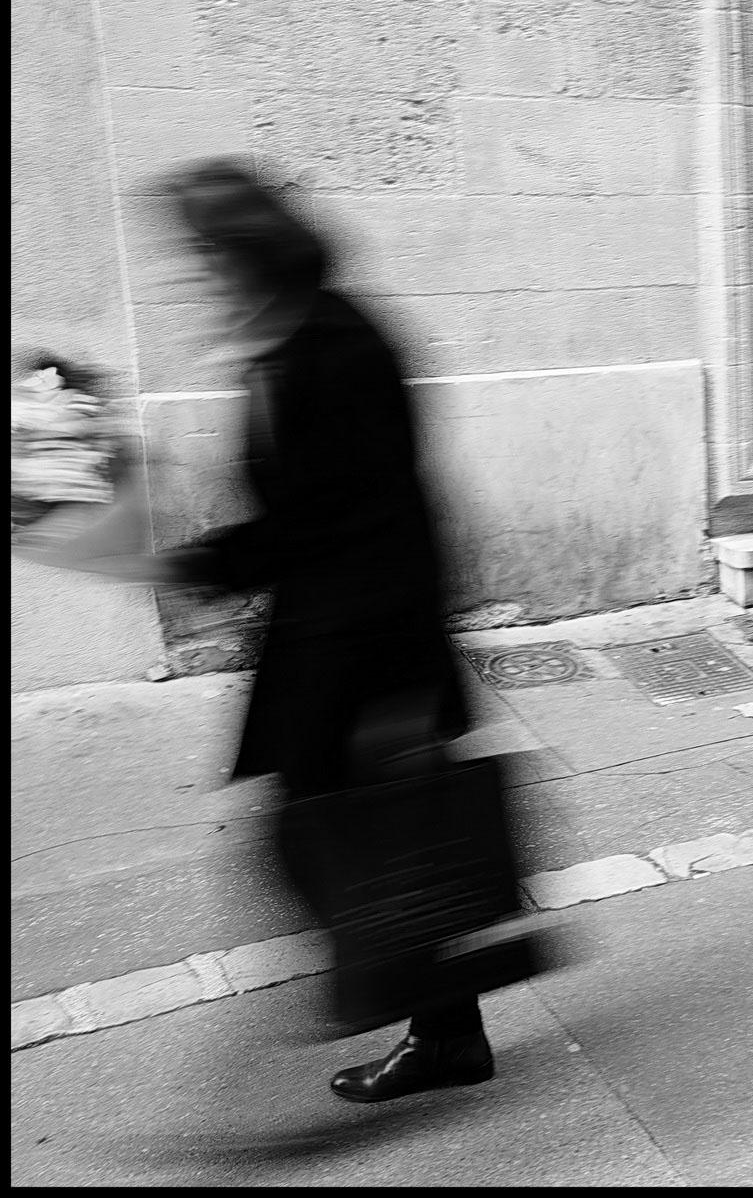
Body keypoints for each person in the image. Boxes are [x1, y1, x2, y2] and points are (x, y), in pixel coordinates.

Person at [75, 159, 496, 1104]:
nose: (191, 276)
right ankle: (439, 1028)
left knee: (328, 850)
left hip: (366, 656)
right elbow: (318, 510)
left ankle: (398, 1013)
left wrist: (193, 564)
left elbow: (335, 523)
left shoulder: (328, 346)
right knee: (363, 851)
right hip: (343, 648)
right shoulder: (306, 336)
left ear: (243, 252)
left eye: (200, 256)